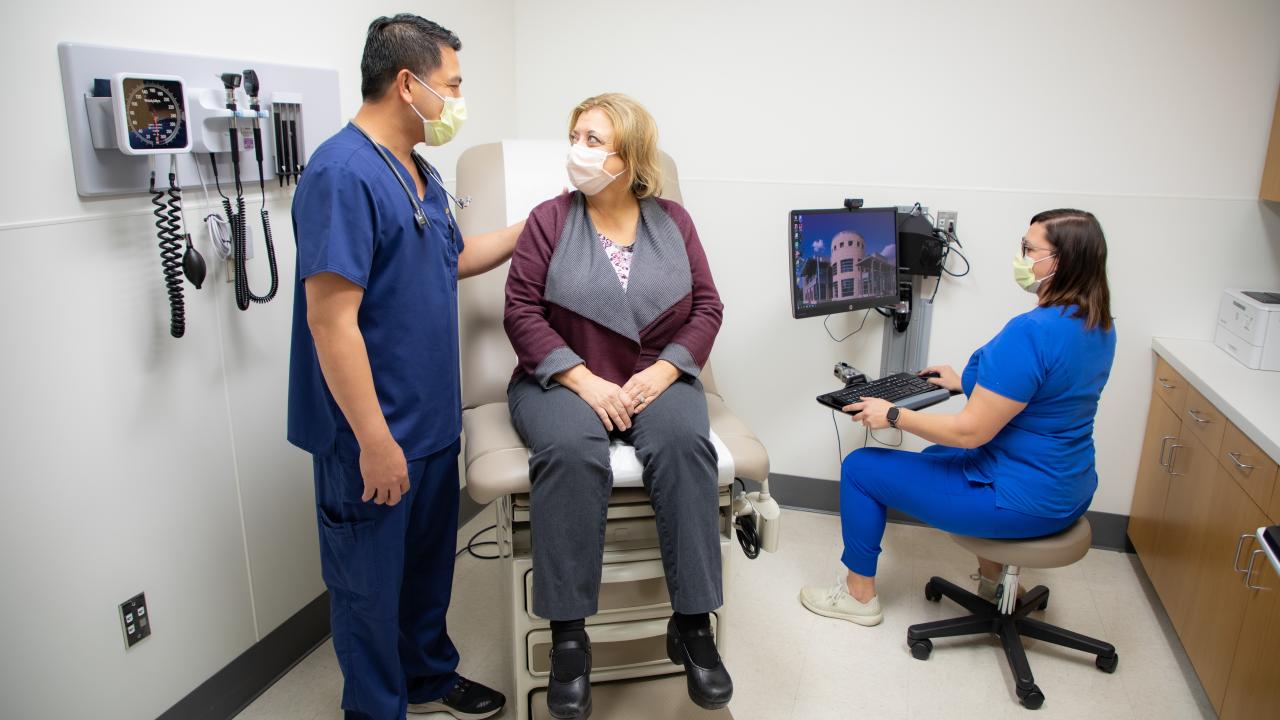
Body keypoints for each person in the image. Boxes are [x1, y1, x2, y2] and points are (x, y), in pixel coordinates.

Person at [287, 15, 523, 720]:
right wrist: (375, 441)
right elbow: (330, 322)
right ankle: (376, 709)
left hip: (429, 425)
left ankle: (426, 677)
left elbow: (446, 260)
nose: (456, 100)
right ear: (407, 83)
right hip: (372, 436)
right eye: (451, 85)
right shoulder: (340, 174)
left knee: (425, 577)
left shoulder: (418, 171)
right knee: (368, 592)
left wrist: (538, 223)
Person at [503, 93, 731, 718]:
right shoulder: (549, 219)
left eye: (594, 139)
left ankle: (691, 627)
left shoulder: (673, 223)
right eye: (575, 135)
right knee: (571, 450)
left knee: (686, 444)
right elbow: (519, 311)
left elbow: (708, 307)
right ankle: (569, 638)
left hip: (654, 377)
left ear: (629, 155)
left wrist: (665, 370)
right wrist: (579, 378)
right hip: (561, 378)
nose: (579, 149)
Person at [799, 209, 1116, 626]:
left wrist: (893, 414)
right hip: (1070, 489)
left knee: (860, 468)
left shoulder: (1032, 331)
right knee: (932, 455)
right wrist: (963, 382)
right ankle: (993, 580)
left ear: (1061, 261)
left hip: (1022, 500)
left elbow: (969, 432)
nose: (1019, 257)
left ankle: (858, 596)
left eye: (1028, 249)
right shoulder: (1097, 324)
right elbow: (1047, 394)